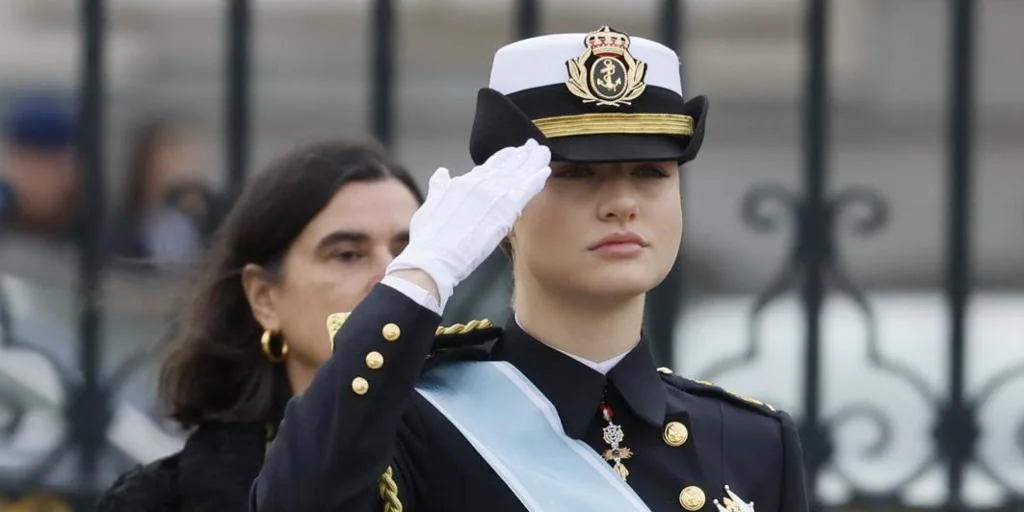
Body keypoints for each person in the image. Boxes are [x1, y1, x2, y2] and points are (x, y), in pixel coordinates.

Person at [252, 26, 809, 512]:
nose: (622, 202)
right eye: (575, 175)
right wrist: (420, 274)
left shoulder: (753, 443)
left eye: (650, 171)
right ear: (506, 208)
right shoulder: (416, 421)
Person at [95, 138, 423, 511]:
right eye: (347, 255)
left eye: (411, 253)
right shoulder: (162, 502)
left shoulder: (484, 454)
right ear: (264, 297)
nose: (390, 277)